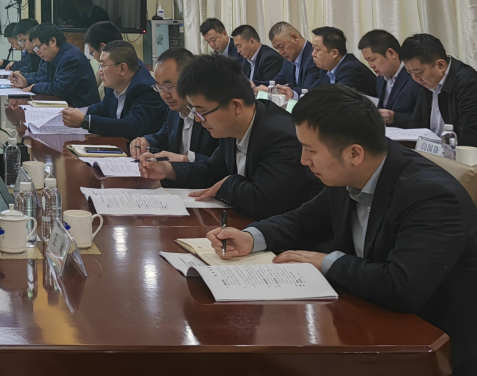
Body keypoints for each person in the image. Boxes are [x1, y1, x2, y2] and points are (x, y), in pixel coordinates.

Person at [209, 84, 477, 376]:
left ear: (354, 153)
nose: (303, 160)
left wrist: (326, 262)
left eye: (311, 150)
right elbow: (303, 221)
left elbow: (401, 286)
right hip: (369, 319)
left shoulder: (432, 197)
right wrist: (251, 237)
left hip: (430, 346)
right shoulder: (351, 173)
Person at [140, 54, 321, 219]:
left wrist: (229, 182)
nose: (198, 119)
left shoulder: (279, 136)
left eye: (202, 112)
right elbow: (212, 170)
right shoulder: (231, 127)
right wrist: (168, 170)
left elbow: (264, 202)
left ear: (236, 106)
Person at [62, 40, 167, 138]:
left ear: (122, 69)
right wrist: (76, 112)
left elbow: (132, 126)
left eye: (103, 66)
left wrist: (86, 121)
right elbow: (104, 108)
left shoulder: (146, 90)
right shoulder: (113, 85)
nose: (100, 71)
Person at [129, 47, 218, 162]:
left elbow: (220, 163)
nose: (164, 95)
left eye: (169, 87)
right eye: (159, 87)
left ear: (190, 81)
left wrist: (185, 159)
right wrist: (146, 142)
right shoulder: (173, 112)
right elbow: (164, 136)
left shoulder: (211, 115)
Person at [403, 33, 477, 146]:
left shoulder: (467, 82)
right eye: (410, 72)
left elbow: (470, 135)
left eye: (419, 72)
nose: (415, 78)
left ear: (441, 65)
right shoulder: (427, 82)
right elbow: (416, 125)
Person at [10, 24, 100, 108]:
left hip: (82, 110)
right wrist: (26, 82)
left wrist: (34, 87)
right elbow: (47, 79)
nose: (38, 52)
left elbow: (59, 88)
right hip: (68, 106)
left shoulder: (71, 58)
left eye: (38, 47)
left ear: (53, 41)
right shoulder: (55, 55)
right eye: (35, 48)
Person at [358, 30, 418, 127]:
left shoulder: (415, 77)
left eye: (372, 59)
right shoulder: (381, 79)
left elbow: (423, 119)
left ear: (391, 53)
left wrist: (394, 118)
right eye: (368, 61)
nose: (371, 65)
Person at [268, 21, 325, 97]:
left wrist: (280, 90)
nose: (281, 53)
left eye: (281, 47)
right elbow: (277, 81)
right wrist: (256, 85)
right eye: (277, 49)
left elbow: (308, 91)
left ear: (295, 38)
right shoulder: (288, 59)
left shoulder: (314, 58)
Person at [310, 27, 374, 93]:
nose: (313, 54)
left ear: (334, 53)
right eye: (313, 49)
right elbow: (312, 92)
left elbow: (337, 96)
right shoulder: (325, 70)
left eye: (317, 50)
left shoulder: (351, 69)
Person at [9, 19, 44, 86]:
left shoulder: (44, 52)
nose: (22, 45)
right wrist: (20, 72)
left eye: (24, 41)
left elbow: (42, 75)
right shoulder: (33, 53)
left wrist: (23, 77)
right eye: (20, 42)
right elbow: (30, 68)